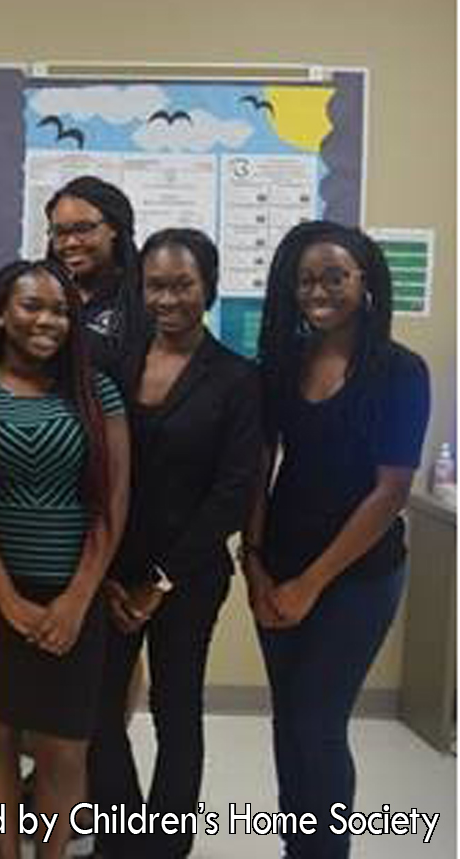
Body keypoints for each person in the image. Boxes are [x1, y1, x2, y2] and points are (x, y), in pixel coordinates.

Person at [245, 220, 430, 859]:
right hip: (279, 567)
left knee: (318, 726)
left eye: (335, 277)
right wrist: (257, 568)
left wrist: (307, 585)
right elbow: (259, 465)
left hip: (359, 575)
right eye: (306, 279)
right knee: (287, 725)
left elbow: (390, 491)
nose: (318, 290)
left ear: (366, 282)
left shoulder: (401, 371)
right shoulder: (282, 363)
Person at [86, 229, 262, 859]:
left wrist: (156, 583)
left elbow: (234, 493)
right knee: (100, 712)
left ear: (208, 287)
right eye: (156, 285)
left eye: (182, 284)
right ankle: (121, 835)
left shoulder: (238, 379)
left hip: (186, 577)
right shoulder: (116, 362)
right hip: (110, 570)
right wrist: (105, 566)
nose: (168, 298)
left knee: (174, 707)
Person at [0, 259, 129, 859]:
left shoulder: (95, 390)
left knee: (64, 747)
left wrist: (78, 599)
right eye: (32, 306)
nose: (47, 320)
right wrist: (6, 599)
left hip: (74, 597)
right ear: (2, 313)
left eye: (60, 310)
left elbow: (113, 504)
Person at [43, 176, 149, 377]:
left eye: (83, 229)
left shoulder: (144, 297)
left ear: (114, 228)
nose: (71, 242)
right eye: (60, 232)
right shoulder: (50, 296)